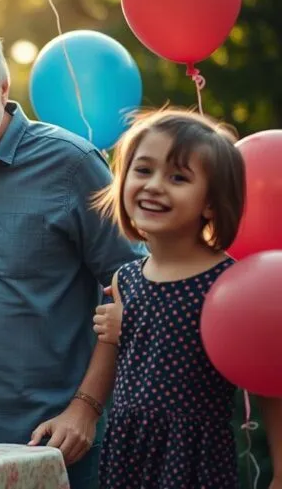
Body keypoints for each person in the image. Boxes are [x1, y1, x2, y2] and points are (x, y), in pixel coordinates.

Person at [0, 18, 144, 488]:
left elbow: (133, 291)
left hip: (55, 442)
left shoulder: (73, 164)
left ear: (1, 84)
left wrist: (86, 408)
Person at [89, 108, 282, 489]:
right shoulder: (125, 278)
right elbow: (116, 361)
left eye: (178, 177)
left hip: (192, 456)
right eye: (142, 170)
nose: (154, 185)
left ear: (210, 203)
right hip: (128, 451)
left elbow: (270, 386)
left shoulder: (229, 284)